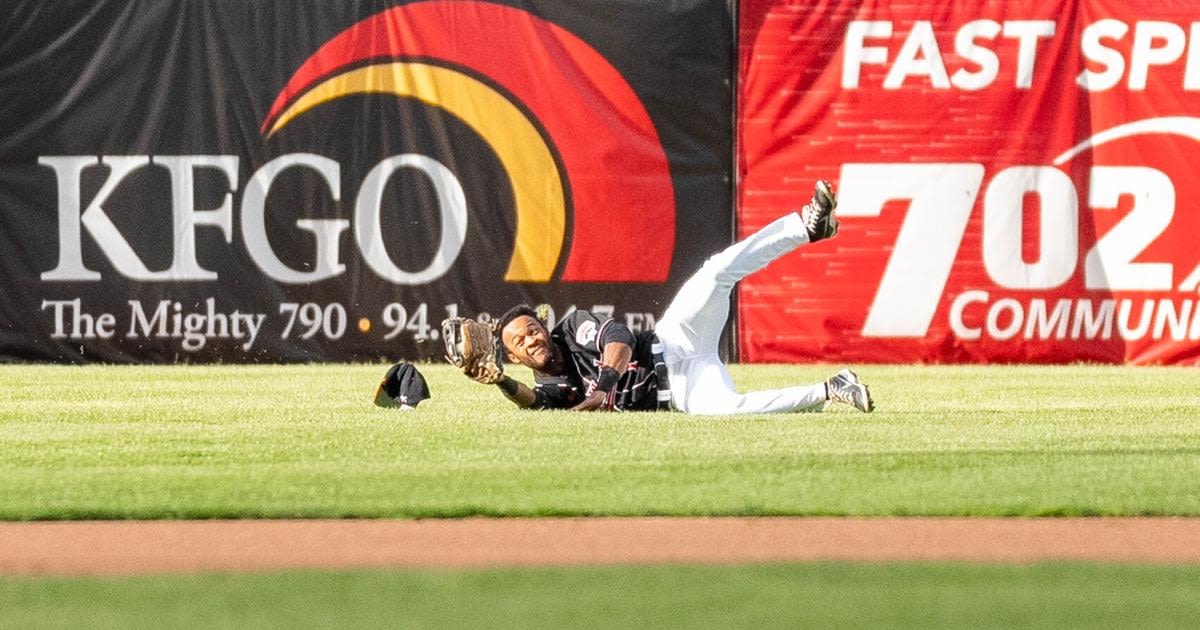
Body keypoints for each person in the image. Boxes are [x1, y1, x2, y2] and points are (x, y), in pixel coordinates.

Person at [488, 180, 873, 415]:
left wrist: (605, 384)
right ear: (515, 357)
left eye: (532, 329)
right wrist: (499, 382)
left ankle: (807, 226)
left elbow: (618, 337)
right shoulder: (551, 387)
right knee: (726, 410)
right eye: (519, 341)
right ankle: (832, 388)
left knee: (716, 271)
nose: (531, 339)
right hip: (681, 389)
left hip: (674, 338)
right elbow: (534, 402)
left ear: (543, 325)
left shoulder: (570, 329)